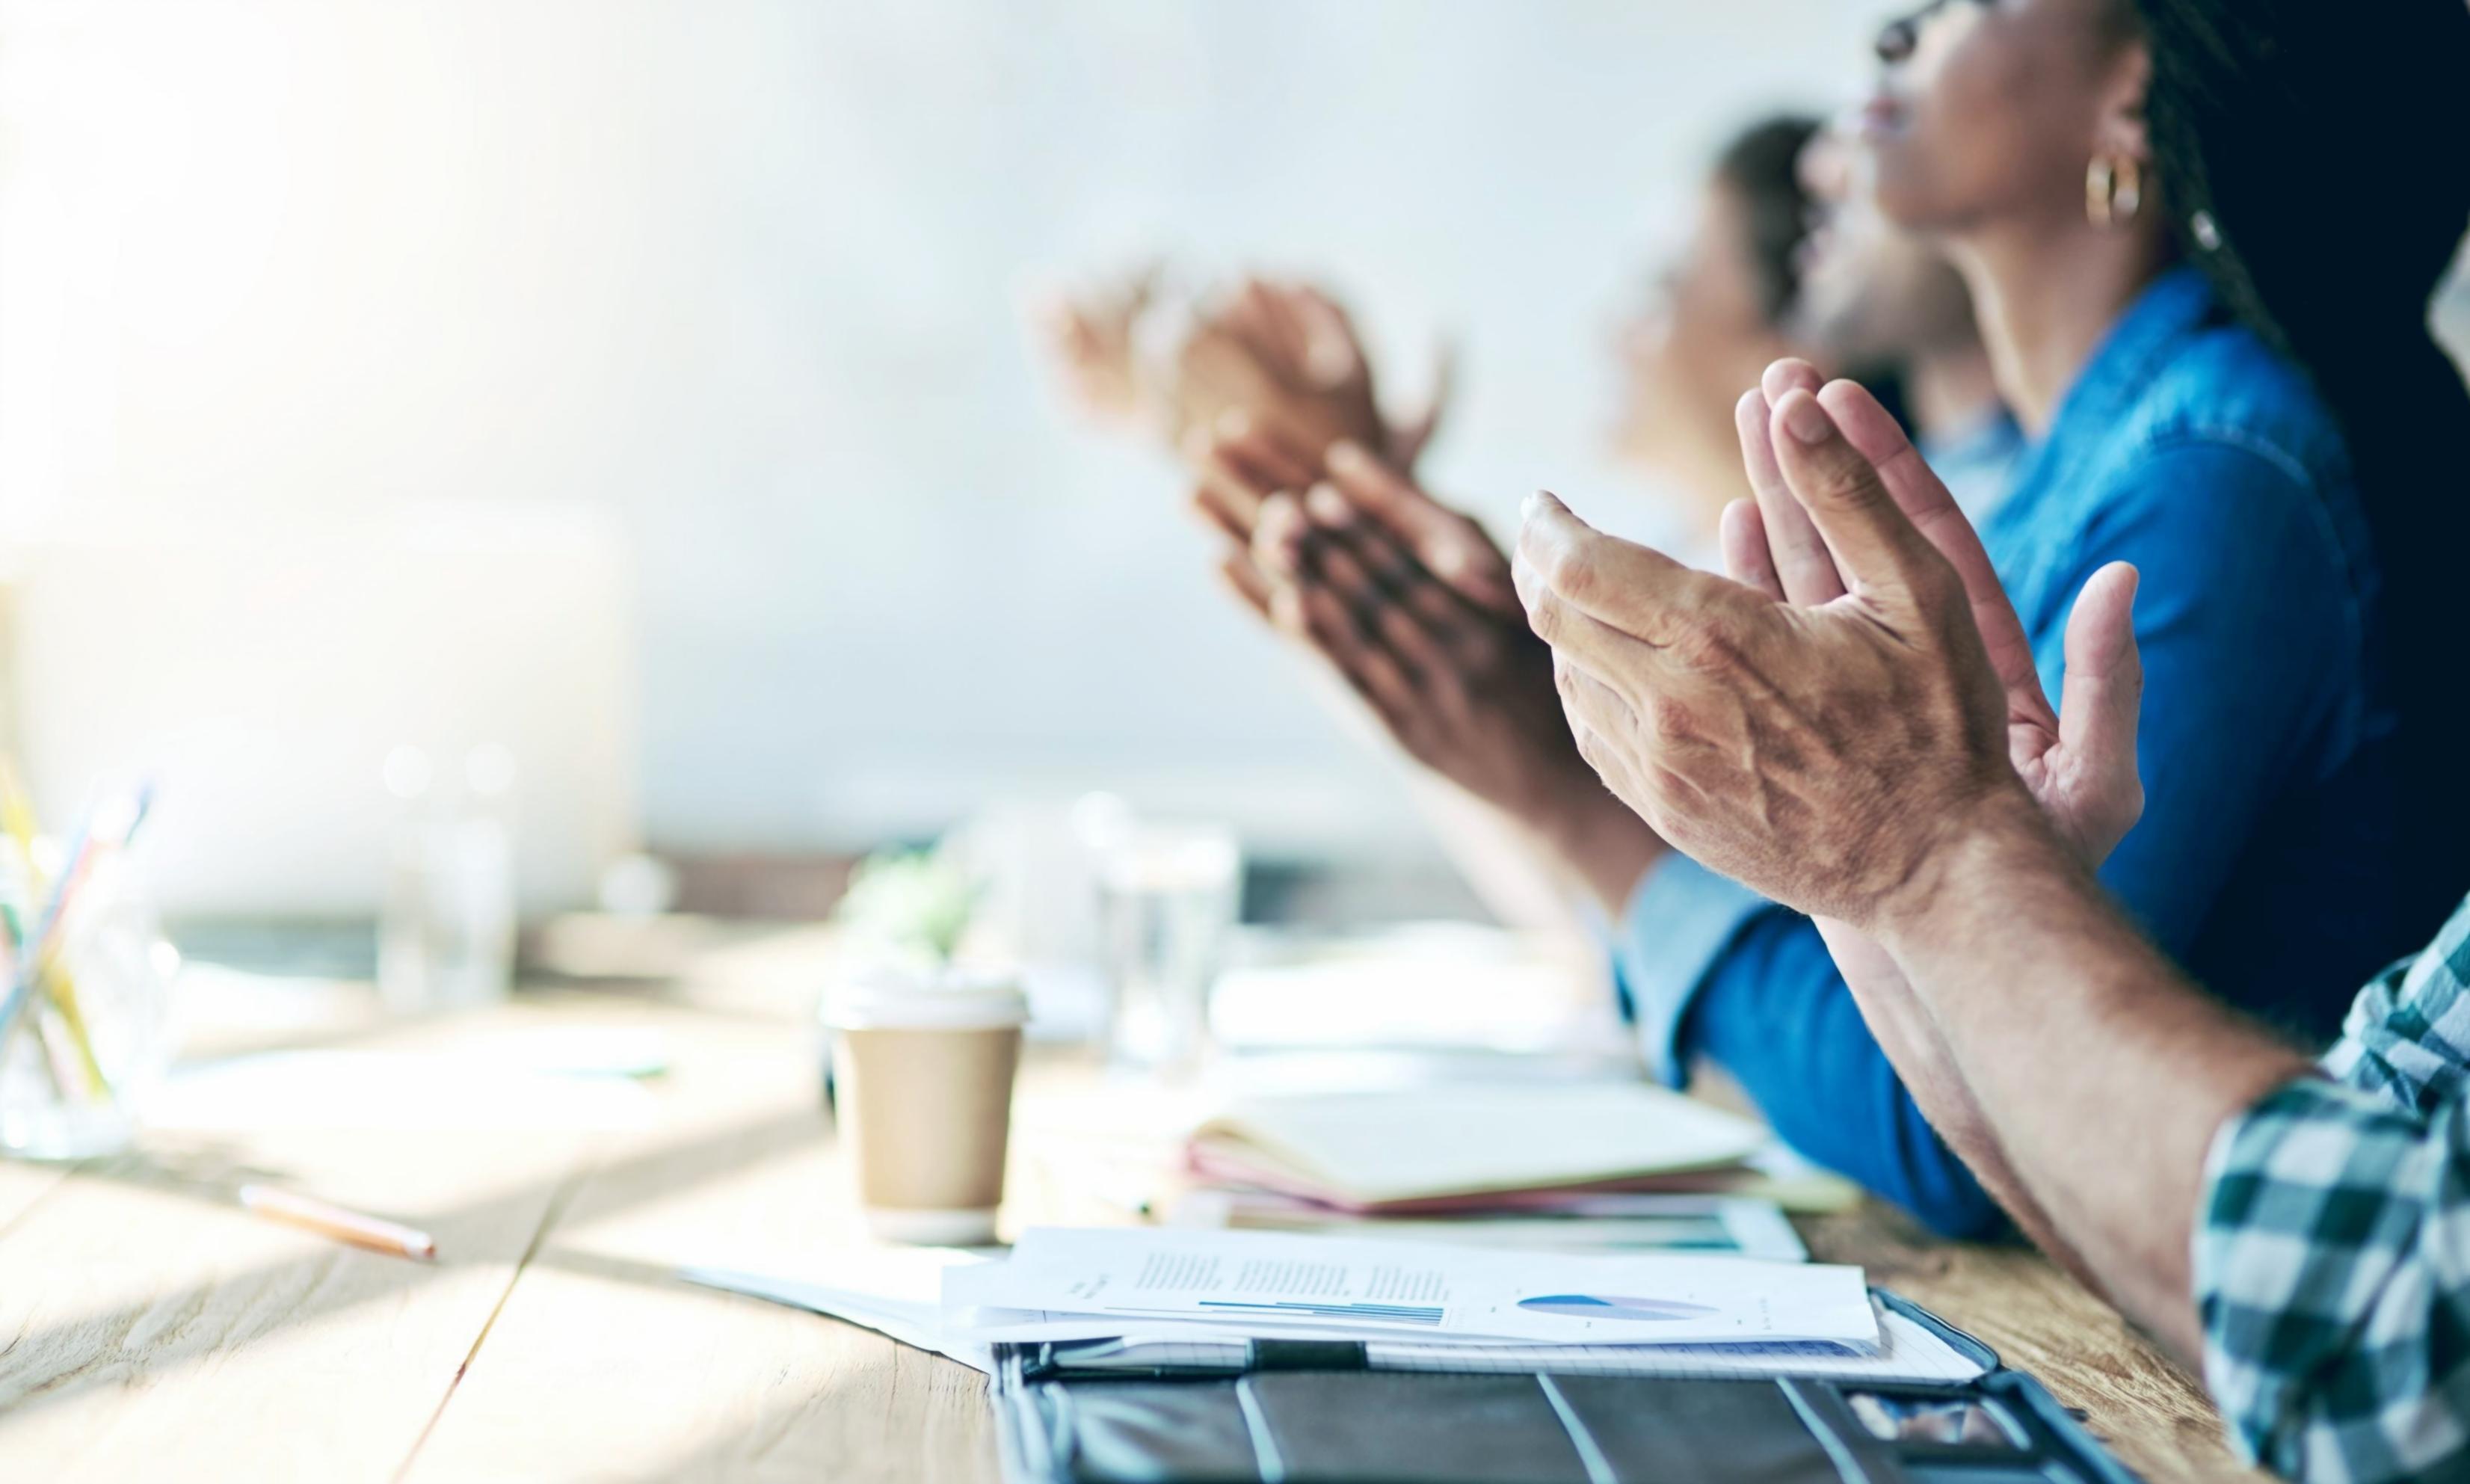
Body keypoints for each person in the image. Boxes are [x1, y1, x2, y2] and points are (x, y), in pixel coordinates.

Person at [1513, 359, 2469, 1482]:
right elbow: (2269, 1192)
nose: (1825, 169)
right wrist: (1899, 897)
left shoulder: (2217, 470)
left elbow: (2377, 1317)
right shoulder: (2103, 451)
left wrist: (1937, 856)